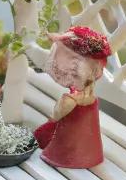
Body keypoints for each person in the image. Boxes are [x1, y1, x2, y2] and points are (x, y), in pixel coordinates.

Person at [33, 26, 112, 170]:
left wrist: (53, 120)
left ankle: (74, 155)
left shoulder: (73, 99)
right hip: (87, 142)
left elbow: (56, 116)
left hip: (70, 145)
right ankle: (86, 154)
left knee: (73, 140)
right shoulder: (86, 94)